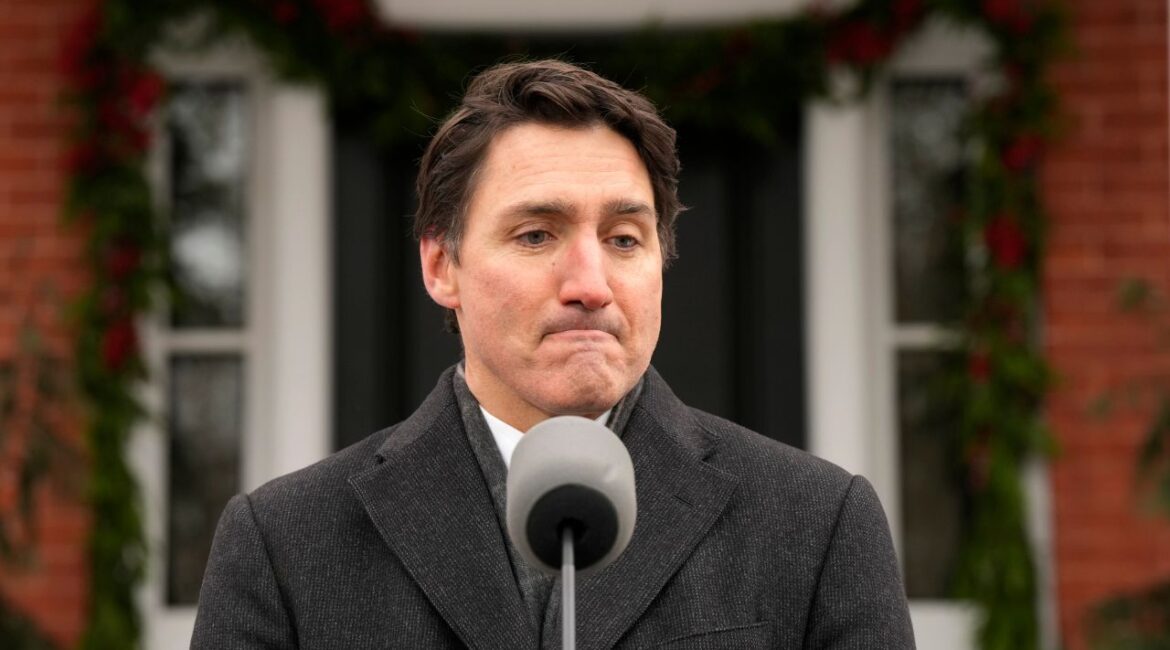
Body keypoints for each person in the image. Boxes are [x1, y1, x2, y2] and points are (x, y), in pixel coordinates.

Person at [191, 59, 915, 649]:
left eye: (624, 239)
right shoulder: (284, 546)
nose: (591, 285)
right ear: (442, 266)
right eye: (537, 235)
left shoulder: (818, 526)